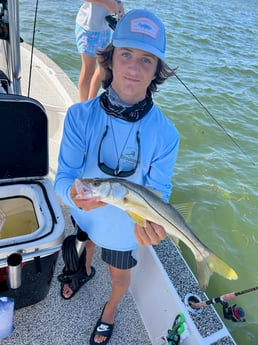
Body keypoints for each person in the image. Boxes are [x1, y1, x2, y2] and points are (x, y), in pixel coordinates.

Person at [55, 8, 180, 345]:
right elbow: (64, 177)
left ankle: (110, 309)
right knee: (86, 243)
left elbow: (158, 191)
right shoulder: (80, 116)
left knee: (120, 276)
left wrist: (151, 225)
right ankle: (83, 270)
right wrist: (72, 197)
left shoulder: (167, 135)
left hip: (126, 231)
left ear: (157, 72)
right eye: (126, 54)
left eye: (146, 60)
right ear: (109, 59)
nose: (134, 68)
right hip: (85, 214)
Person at [75, 0, 124, 101]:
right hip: (89, 28)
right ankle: (83, 106)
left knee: (103, 66)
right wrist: (108, 3)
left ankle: (91, 102)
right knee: (88, 70)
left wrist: (119, 8)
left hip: (105, 28)